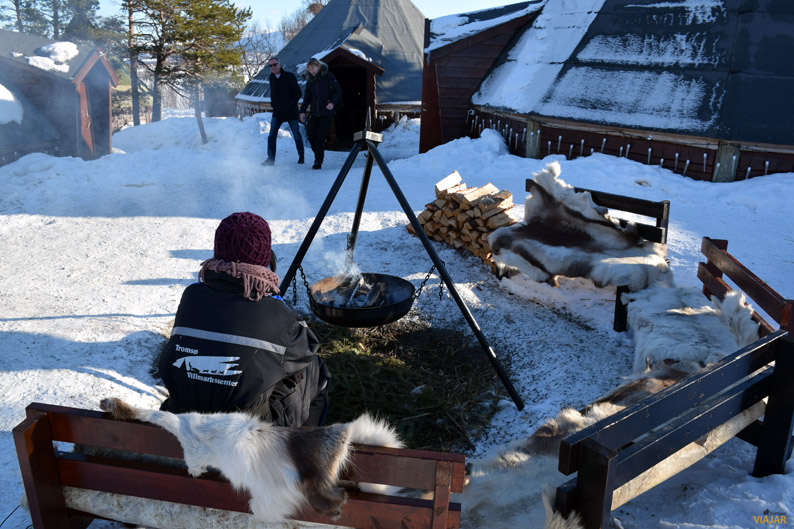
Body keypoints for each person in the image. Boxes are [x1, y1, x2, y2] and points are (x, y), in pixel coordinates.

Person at [158, 212, 330, 427]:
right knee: (314, 369)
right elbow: (305, 350)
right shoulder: (273, 311)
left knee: (267, 365)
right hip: (245, 436)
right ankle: (304, 449)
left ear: (218, 249)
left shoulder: (191, 295)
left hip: (184, 420)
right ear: (264, 257)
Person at [299, 58, 342, 170]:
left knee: (319, 138)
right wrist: (302, 111)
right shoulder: (310, 81)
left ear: (318, 67)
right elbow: (307, 97)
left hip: (326, 112)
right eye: (309, 69)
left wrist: (332, 102)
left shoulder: (328, 76)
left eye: (313, 69)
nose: (311, 71)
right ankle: (318, 154)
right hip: (315, 112)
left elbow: (338, 90)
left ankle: (318, 161)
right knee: (311, 136)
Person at [262, 57, 305, 166]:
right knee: (271, 135)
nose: (273, 67)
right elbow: (273, 94)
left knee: (296, 134)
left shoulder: (289, 76)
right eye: (270, 65)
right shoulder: (271, 77)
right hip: (278, 111)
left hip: (291, 111)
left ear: (280, 64)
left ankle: (301, 155)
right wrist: (274, 104)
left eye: (274, 64)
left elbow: (298, 93)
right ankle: (270, 159)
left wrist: (290, 104)